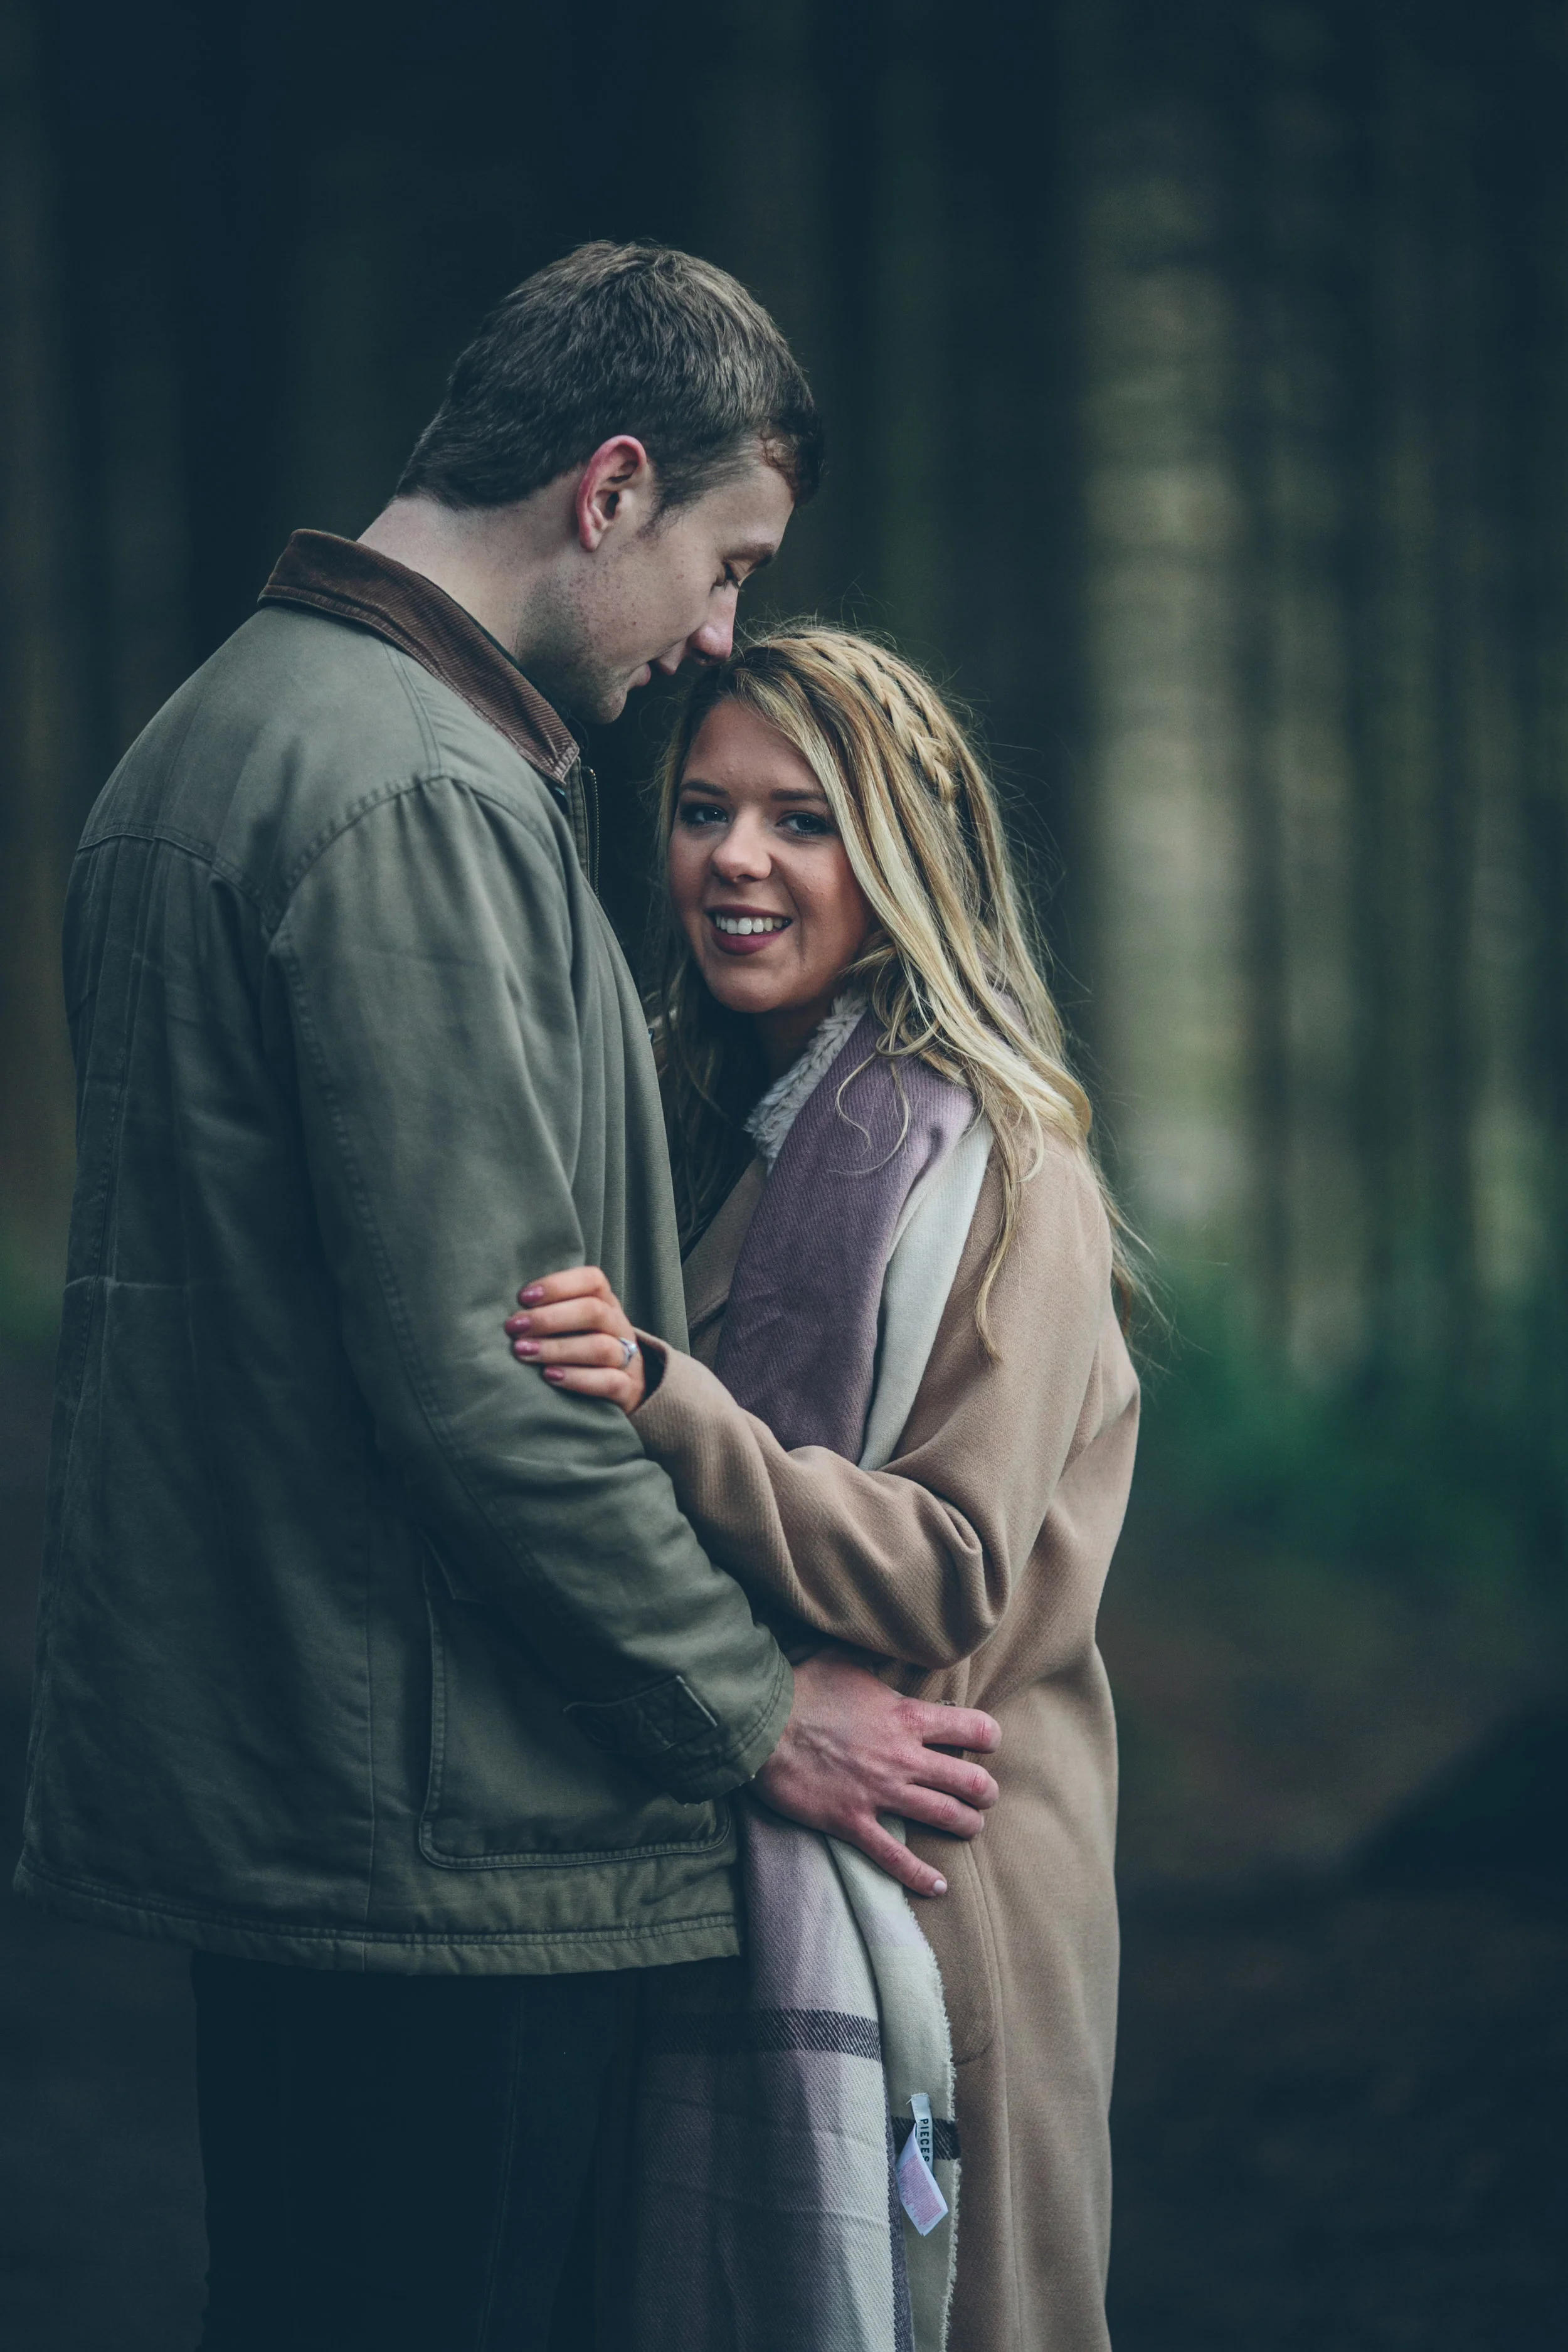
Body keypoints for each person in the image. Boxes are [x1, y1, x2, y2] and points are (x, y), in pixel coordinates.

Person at [14, 250, 1003, 2351]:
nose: (715, 635)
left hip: (315, 1788)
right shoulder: (413, 794)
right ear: (611, 486)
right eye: (724, 564)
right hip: (442, 1841)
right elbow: (487, 1379)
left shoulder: (218, 733)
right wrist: (756, 1712)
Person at [508, 628, 1140, 2352]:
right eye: (705, 811)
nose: (736, 860)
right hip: (762, 1830)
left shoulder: (1002, 1166)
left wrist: (659, 1392)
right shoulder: (700, 1123)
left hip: (947, 1876)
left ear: (903, 859)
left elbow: (943, 1569)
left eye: (803, 820)